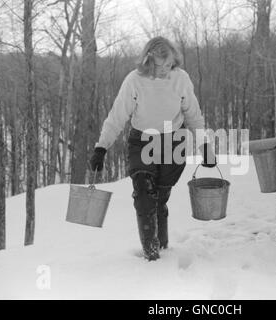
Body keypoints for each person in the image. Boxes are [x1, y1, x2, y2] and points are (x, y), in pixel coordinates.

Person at [89, 36, 216, 261]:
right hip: (142, 142)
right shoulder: (134, 81)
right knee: (144, 195)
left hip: (173, 142)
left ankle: (162, 244)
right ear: (149, 61)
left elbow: (193, 115)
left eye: (170, 64)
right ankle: (152, 252)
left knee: (159, 199)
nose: (166, 69)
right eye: (161, 65)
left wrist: (205, 145)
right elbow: (117, 116)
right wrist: (101, 147)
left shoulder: (181, 79)